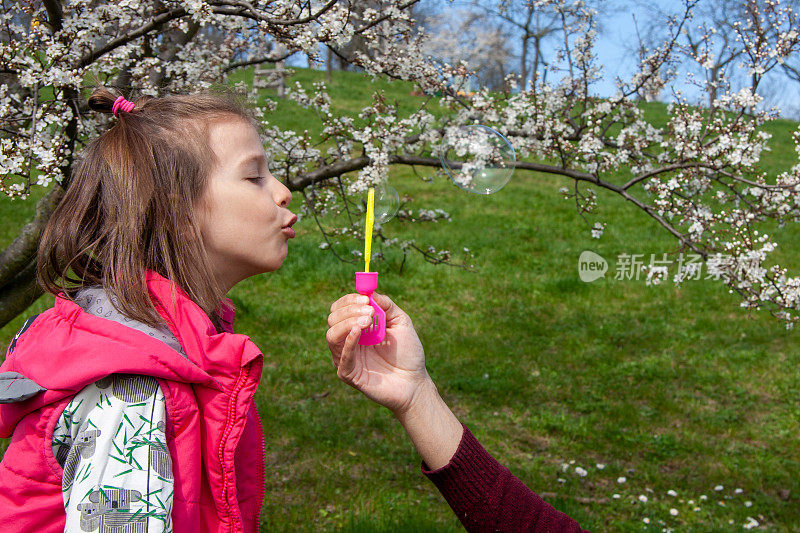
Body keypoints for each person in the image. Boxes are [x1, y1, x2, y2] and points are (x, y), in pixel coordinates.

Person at [0, 88, 587, 533]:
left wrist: (415, 393)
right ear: (176, 211)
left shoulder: (177, 352)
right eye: (255, 176)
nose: (283, 192)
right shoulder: (128, 390)